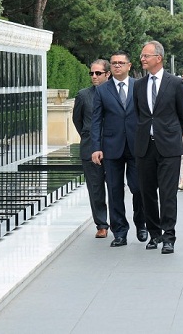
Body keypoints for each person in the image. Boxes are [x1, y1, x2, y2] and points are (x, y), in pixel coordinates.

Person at [133, 40, 183, 254]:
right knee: (147, 192)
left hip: (169, 147)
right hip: (145, 147)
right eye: (142, 55)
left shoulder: (175, 83)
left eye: (146, 55)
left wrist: (170, 132)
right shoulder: (139, 85)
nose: (142, 59)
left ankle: (169, 236)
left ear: (159, 58)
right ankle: (154, 233)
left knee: (167, 194)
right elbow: (139, 115)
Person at [91, 52, 147, 247]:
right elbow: (96, 121)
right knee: (114, 191)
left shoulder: (139, 86)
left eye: (121, 63)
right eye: (114, 63)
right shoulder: (102, 90)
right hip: (111, 148)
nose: (117, 66)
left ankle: (141, 223)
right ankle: (120, 232)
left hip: (136, 147)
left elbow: (146, 115)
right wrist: (96, 147)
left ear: (129, 66)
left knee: (138, 189)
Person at [72, 59, 110, 238]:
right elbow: (77, 120)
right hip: (89, 148)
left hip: (112, 147)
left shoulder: (115, 93)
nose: (94, 76)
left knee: (114, 187)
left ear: (107, 74)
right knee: (95, 188)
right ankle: (101, 224)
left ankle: (119, 223)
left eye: (98, 73)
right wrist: (88, 137)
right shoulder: (83, 95)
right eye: (91, 73)